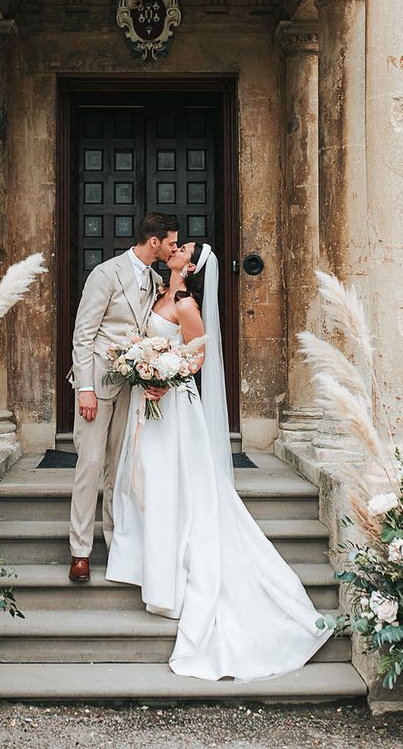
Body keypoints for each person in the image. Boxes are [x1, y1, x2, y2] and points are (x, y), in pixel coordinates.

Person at [106, 241, 333, 681]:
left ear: (188, 266)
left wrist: (161, 375)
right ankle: (146, 561)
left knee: (177, 485)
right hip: (150, 406)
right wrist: (141, 364)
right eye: (173, 243)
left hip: (173, 405)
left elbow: (198, 357)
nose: (174, 247)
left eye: (182, 247)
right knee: (150, 482)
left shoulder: (186, 304)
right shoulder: (157, 292)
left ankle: (170, 575)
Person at [67, 212, 178, 584]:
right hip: (97, 384)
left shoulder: (154, 278)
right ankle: (80, 551)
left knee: (119, 467)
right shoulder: (105, 274)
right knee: (91, 464)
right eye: (171, 243)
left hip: (131, 384)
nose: (172, 248)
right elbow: (84, 334)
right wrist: (84, 387)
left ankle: (116, 545)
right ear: (154, 242)